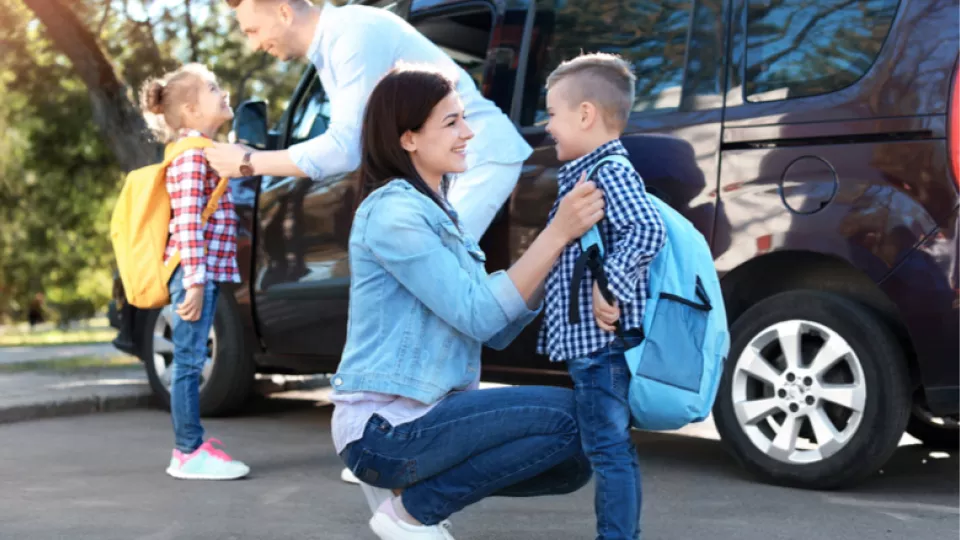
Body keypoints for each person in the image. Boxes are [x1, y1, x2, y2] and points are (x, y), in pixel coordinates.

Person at [333, 65, 603, 540]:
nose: (468, 132)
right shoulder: (395, 213)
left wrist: (563, 251)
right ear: (409, 138)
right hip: (386, 429)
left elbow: (494, 327)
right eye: (452, 122)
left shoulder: (438, 212)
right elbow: (482, 315)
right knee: (570, 418)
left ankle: (418, 499)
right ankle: (414, 510)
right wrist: (555, 232)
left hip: (427, 415)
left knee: (573, 463)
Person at [207, 0, 531, 241]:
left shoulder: (353, 35)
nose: (254, 44)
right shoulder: (334, 45)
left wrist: (249, 161)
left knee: (432, 289)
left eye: (253, 30)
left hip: (478, 159)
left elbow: (344, 148)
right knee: (425, 294)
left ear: (284, 12)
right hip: (449, 169)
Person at [538, 53, 667, 540]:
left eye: (553, 114)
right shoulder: (587, 170)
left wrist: (607, 284)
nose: (547, 126)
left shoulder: (608, 169)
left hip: (601, 344)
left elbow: (646, 228)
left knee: (610, 449)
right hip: (591, 344)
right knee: (606, 446)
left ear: (585, 114)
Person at [139, 64, 251, 481]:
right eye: (212, 87)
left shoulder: (203, 149)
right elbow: (187, 220)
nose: (223, 92)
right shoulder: (190, 156)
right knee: (188, 362)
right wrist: (197, 281)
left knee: (190, 358)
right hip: (192, 273)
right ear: (190, 109)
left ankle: (192, 446)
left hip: (198, 272)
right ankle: (187, 453)